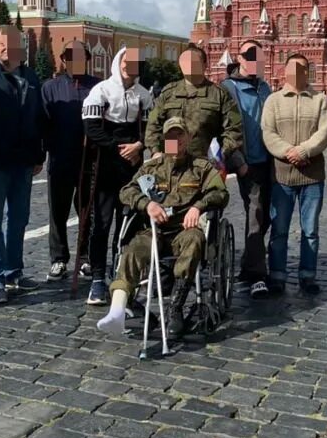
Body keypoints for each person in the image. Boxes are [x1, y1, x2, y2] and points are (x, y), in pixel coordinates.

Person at [97, 116, 229, 338]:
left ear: (187, 138)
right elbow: (126, 191)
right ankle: (117, 310)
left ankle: (175, 308)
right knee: (133, 250)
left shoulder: (201, 168)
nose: (175, 141)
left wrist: (198, 207)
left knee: (195, 240)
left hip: (185, 230)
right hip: (154, 230)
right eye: (170, 137)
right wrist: (147, 204)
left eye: (179, 136)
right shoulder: (152, 168)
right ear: (164, 140)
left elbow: (221, 192)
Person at [0, 25, 46, 304]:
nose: (7, 48)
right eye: (1, 43)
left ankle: (13, 271)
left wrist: (39, 155)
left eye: (12, 43)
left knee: (19, 220)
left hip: (24, 161)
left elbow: (38, 117)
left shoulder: (30, 76)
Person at [80, 45, 154, 305]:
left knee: (129, 227)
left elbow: (149, 130)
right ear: (118, 62)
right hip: (103, 166)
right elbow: (91, 129)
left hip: (131, 168)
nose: (128, 66)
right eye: (125, 61)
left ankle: (121, 276)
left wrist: (139, 146)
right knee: (100, 224)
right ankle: (98, 279)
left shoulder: (144, 95)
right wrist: (117, 147)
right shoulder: (100, 91)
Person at [261, 53, 327, 295]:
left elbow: (324, 133)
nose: (297, 72)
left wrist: (302, 151)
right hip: (282, 176)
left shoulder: (320, 100)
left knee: (310, 230)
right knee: (279, 229)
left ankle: (307, 275)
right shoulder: (273, 100)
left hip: (312, 176)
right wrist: (286, 151)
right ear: (284, 70)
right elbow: (268, 133)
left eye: (303, 68)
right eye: (293, 67)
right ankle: (277, 275)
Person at [42, 41, 100, 282]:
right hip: (60, 159)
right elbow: (43, 123)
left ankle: (85, 257)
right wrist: (43, 152)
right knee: (58, 211)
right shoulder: (50, 87)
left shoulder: (97, 87)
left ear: (86, 58)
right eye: (70, 56)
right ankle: (58, 259)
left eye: (80, 56)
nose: (74, 60)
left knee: (88, 211)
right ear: (63, 59)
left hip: (89, 160)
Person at [221, 40, 273, 299]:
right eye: (249, 55)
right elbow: (224, 129)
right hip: (246, 163)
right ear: (239, 59)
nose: (255, 60)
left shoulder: (264, 86)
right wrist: (237, 161)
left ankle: (248, 264)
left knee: (267, 216)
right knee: (256, 212)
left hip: (270, 161)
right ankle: (256, 275)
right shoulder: (228, 88)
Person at [145, 44, 242, 162]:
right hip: (171, 162)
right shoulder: (169, 93)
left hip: (205, 164)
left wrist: (221, 155)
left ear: (205, 65)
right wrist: (156, 152)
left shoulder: (219, 94)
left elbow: (234, 129)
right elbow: (153, 125)